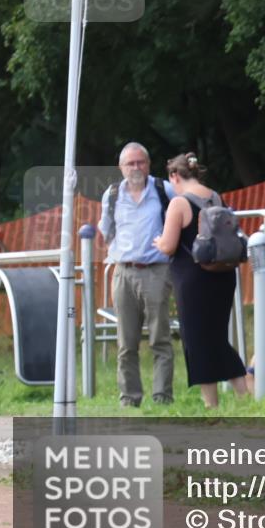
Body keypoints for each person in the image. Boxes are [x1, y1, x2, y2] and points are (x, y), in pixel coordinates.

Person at [152, 153, 248, 408]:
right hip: (223, 275)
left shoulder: (179, 203)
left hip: (193, 281)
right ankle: (244, 394)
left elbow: (170, 245)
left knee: (197, 341)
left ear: (175, 176)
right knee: (217, 338)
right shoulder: (215, 197)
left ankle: (211, 404)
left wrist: (159, 243)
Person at [98, 142, 176, 407]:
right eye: (130, 163)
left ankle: (162, 397)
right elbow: (106, 232)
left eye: (140, 162)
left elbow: (180, 222)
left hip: (157, 271)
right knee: (126, 342)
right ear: (121, 168)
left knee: (160, 338)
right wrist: (120, 254)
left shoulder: (163, 189)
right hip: (123, 273)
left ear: (149, 164)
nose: (136, 168)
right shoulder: (111, 195)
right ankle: (129, 398)